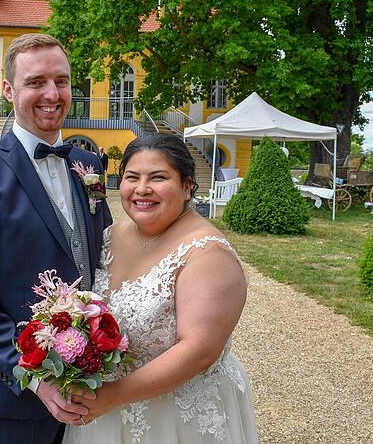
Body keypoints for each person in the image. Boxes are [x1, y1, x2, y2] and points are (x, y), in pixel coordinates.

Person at [0, 33, 113, 444]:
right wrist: (35, 378)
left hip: (90, 388)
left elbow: (104, 259)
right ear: (8, 90)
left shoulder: (89, 164)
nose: (52, 94)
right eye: (36, 82)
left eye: (62, 81)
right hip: (10, 400)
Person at [63, 134, 258, 444]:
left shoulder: (207, 253)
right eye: (132, 177)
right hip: (106, 414)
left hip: (177, 418)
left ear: (187, 186)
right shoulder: (110, 235)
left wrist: (111, 396)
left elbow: (199, 351)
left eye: (158, 177)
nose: (142, 189)